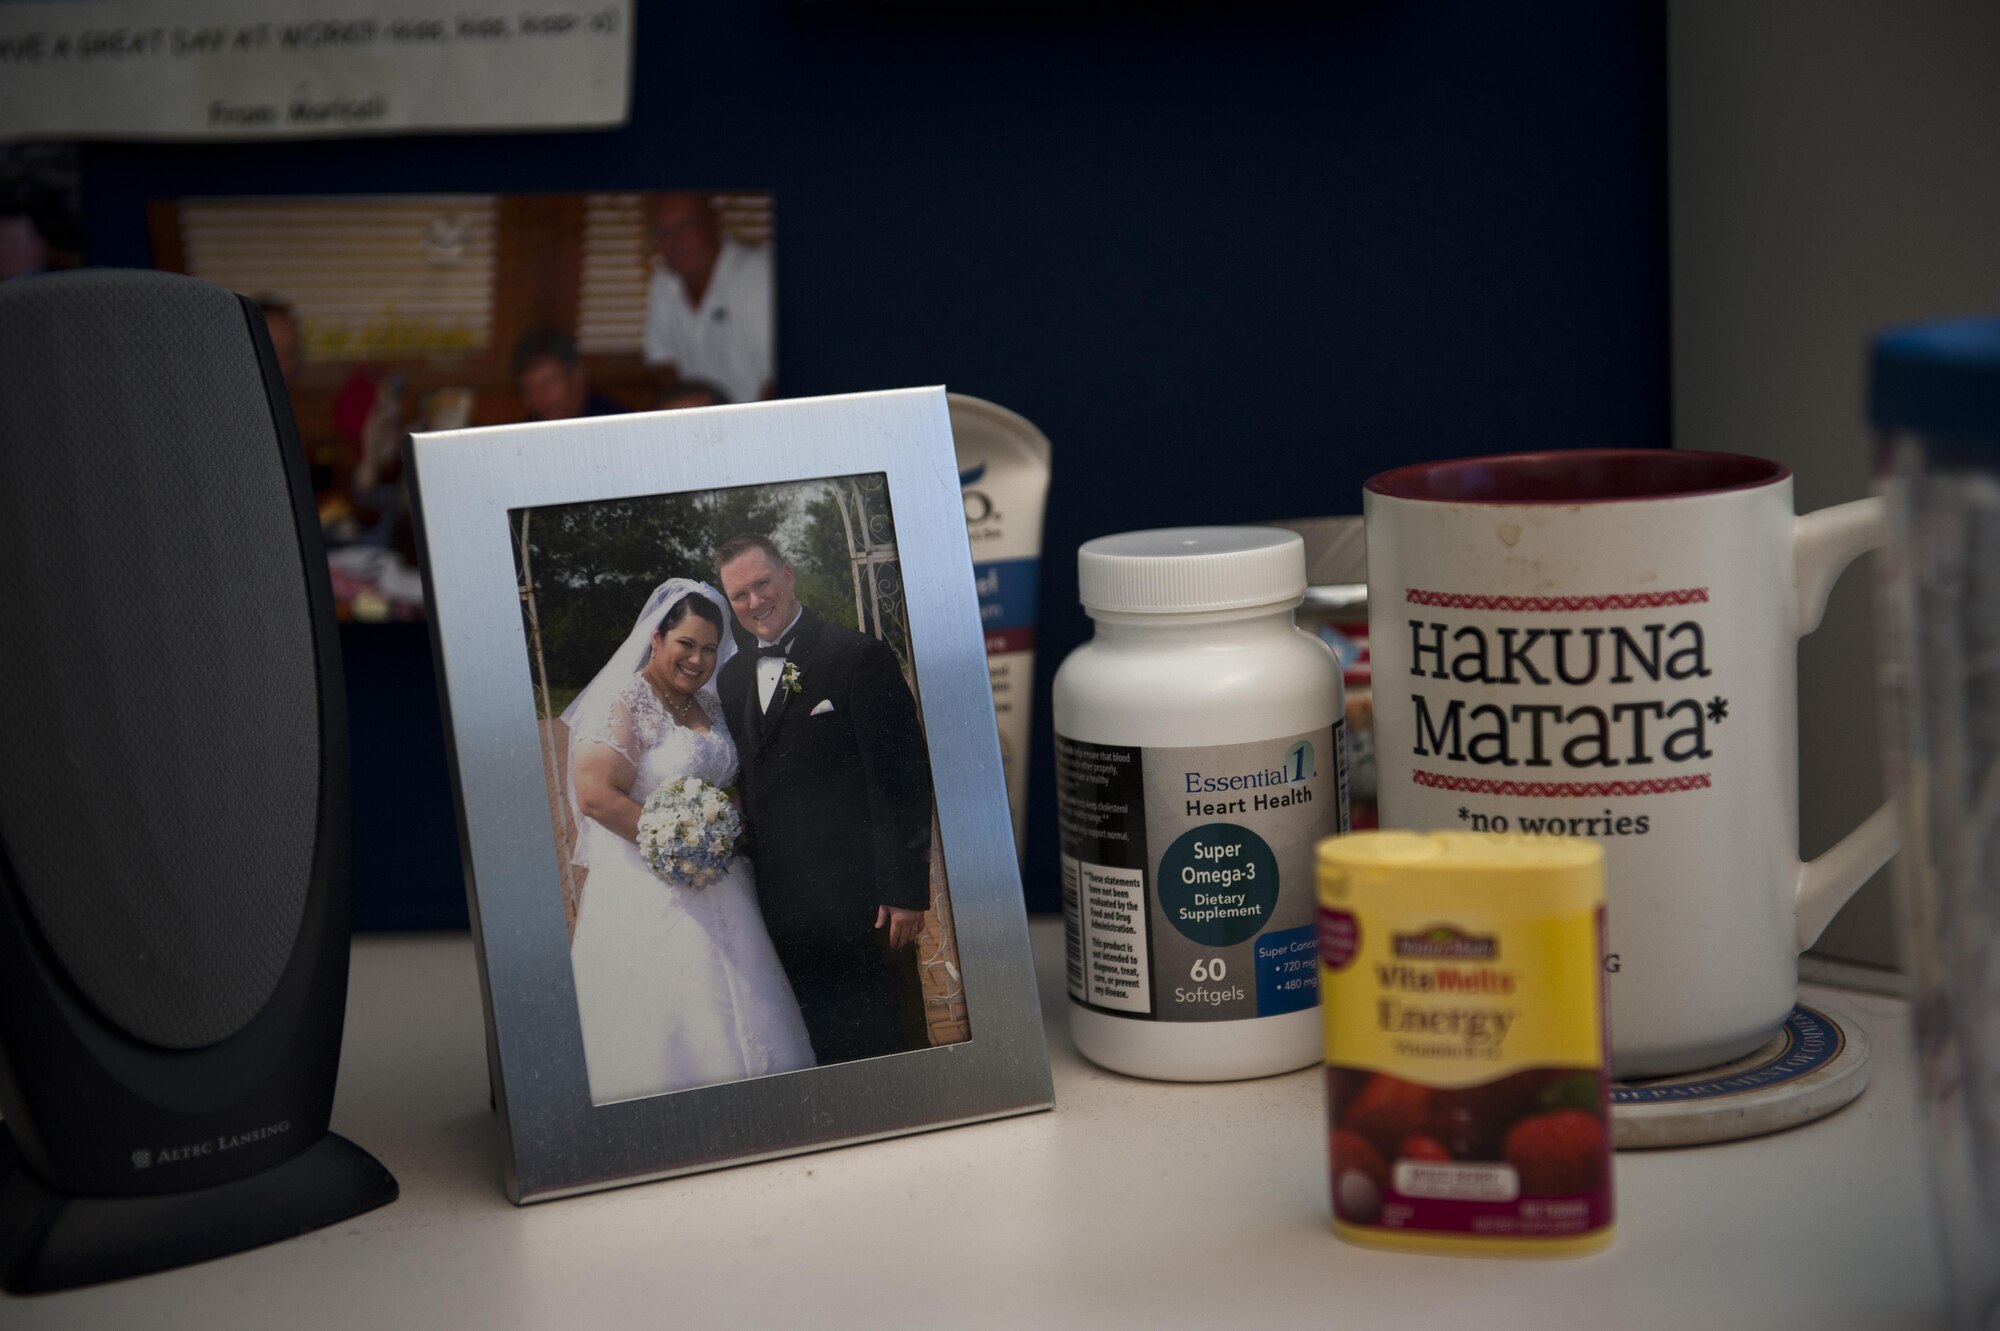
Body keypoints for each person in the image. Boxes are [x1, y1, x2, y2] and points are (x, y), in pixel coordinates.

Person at [563, 579, 814, 1103]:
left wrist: (728, 826)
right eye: (686, 644)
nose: (698, 659)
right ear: (657, 638)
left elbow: (727, 781)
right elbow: (594, 795)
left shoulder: (709, 706)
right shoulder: (623, 701)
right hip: (649, 886)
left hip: (725, 881)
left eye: (708, 648)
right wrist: (676, 845)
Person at [712, 534, 934, 1064]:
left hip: (864, 901)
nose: (754, 603)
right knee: (815, 1043)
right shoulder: (734, 677)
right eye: (738, 595)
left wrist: (905, 890)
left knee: (887, 1036)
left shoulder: (858, 657)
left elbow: (903, 780)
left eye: (761, 584)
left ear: (788, 575)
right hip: (781, 904)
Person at [642, 194, 773, 407]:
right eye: (663, 232)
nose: (674, 241)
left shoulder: (759, 273)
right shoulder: (663, 281)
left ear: (714, 223)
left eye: (685, 226)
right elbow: (661, 360)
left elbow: (775, 378)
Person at [512, 327, 627, 422]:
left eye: (548, 383)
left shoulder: (616, 422)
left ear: (576, 376)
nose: (538, 399)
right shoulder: (527, 431)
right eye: (528, 390)